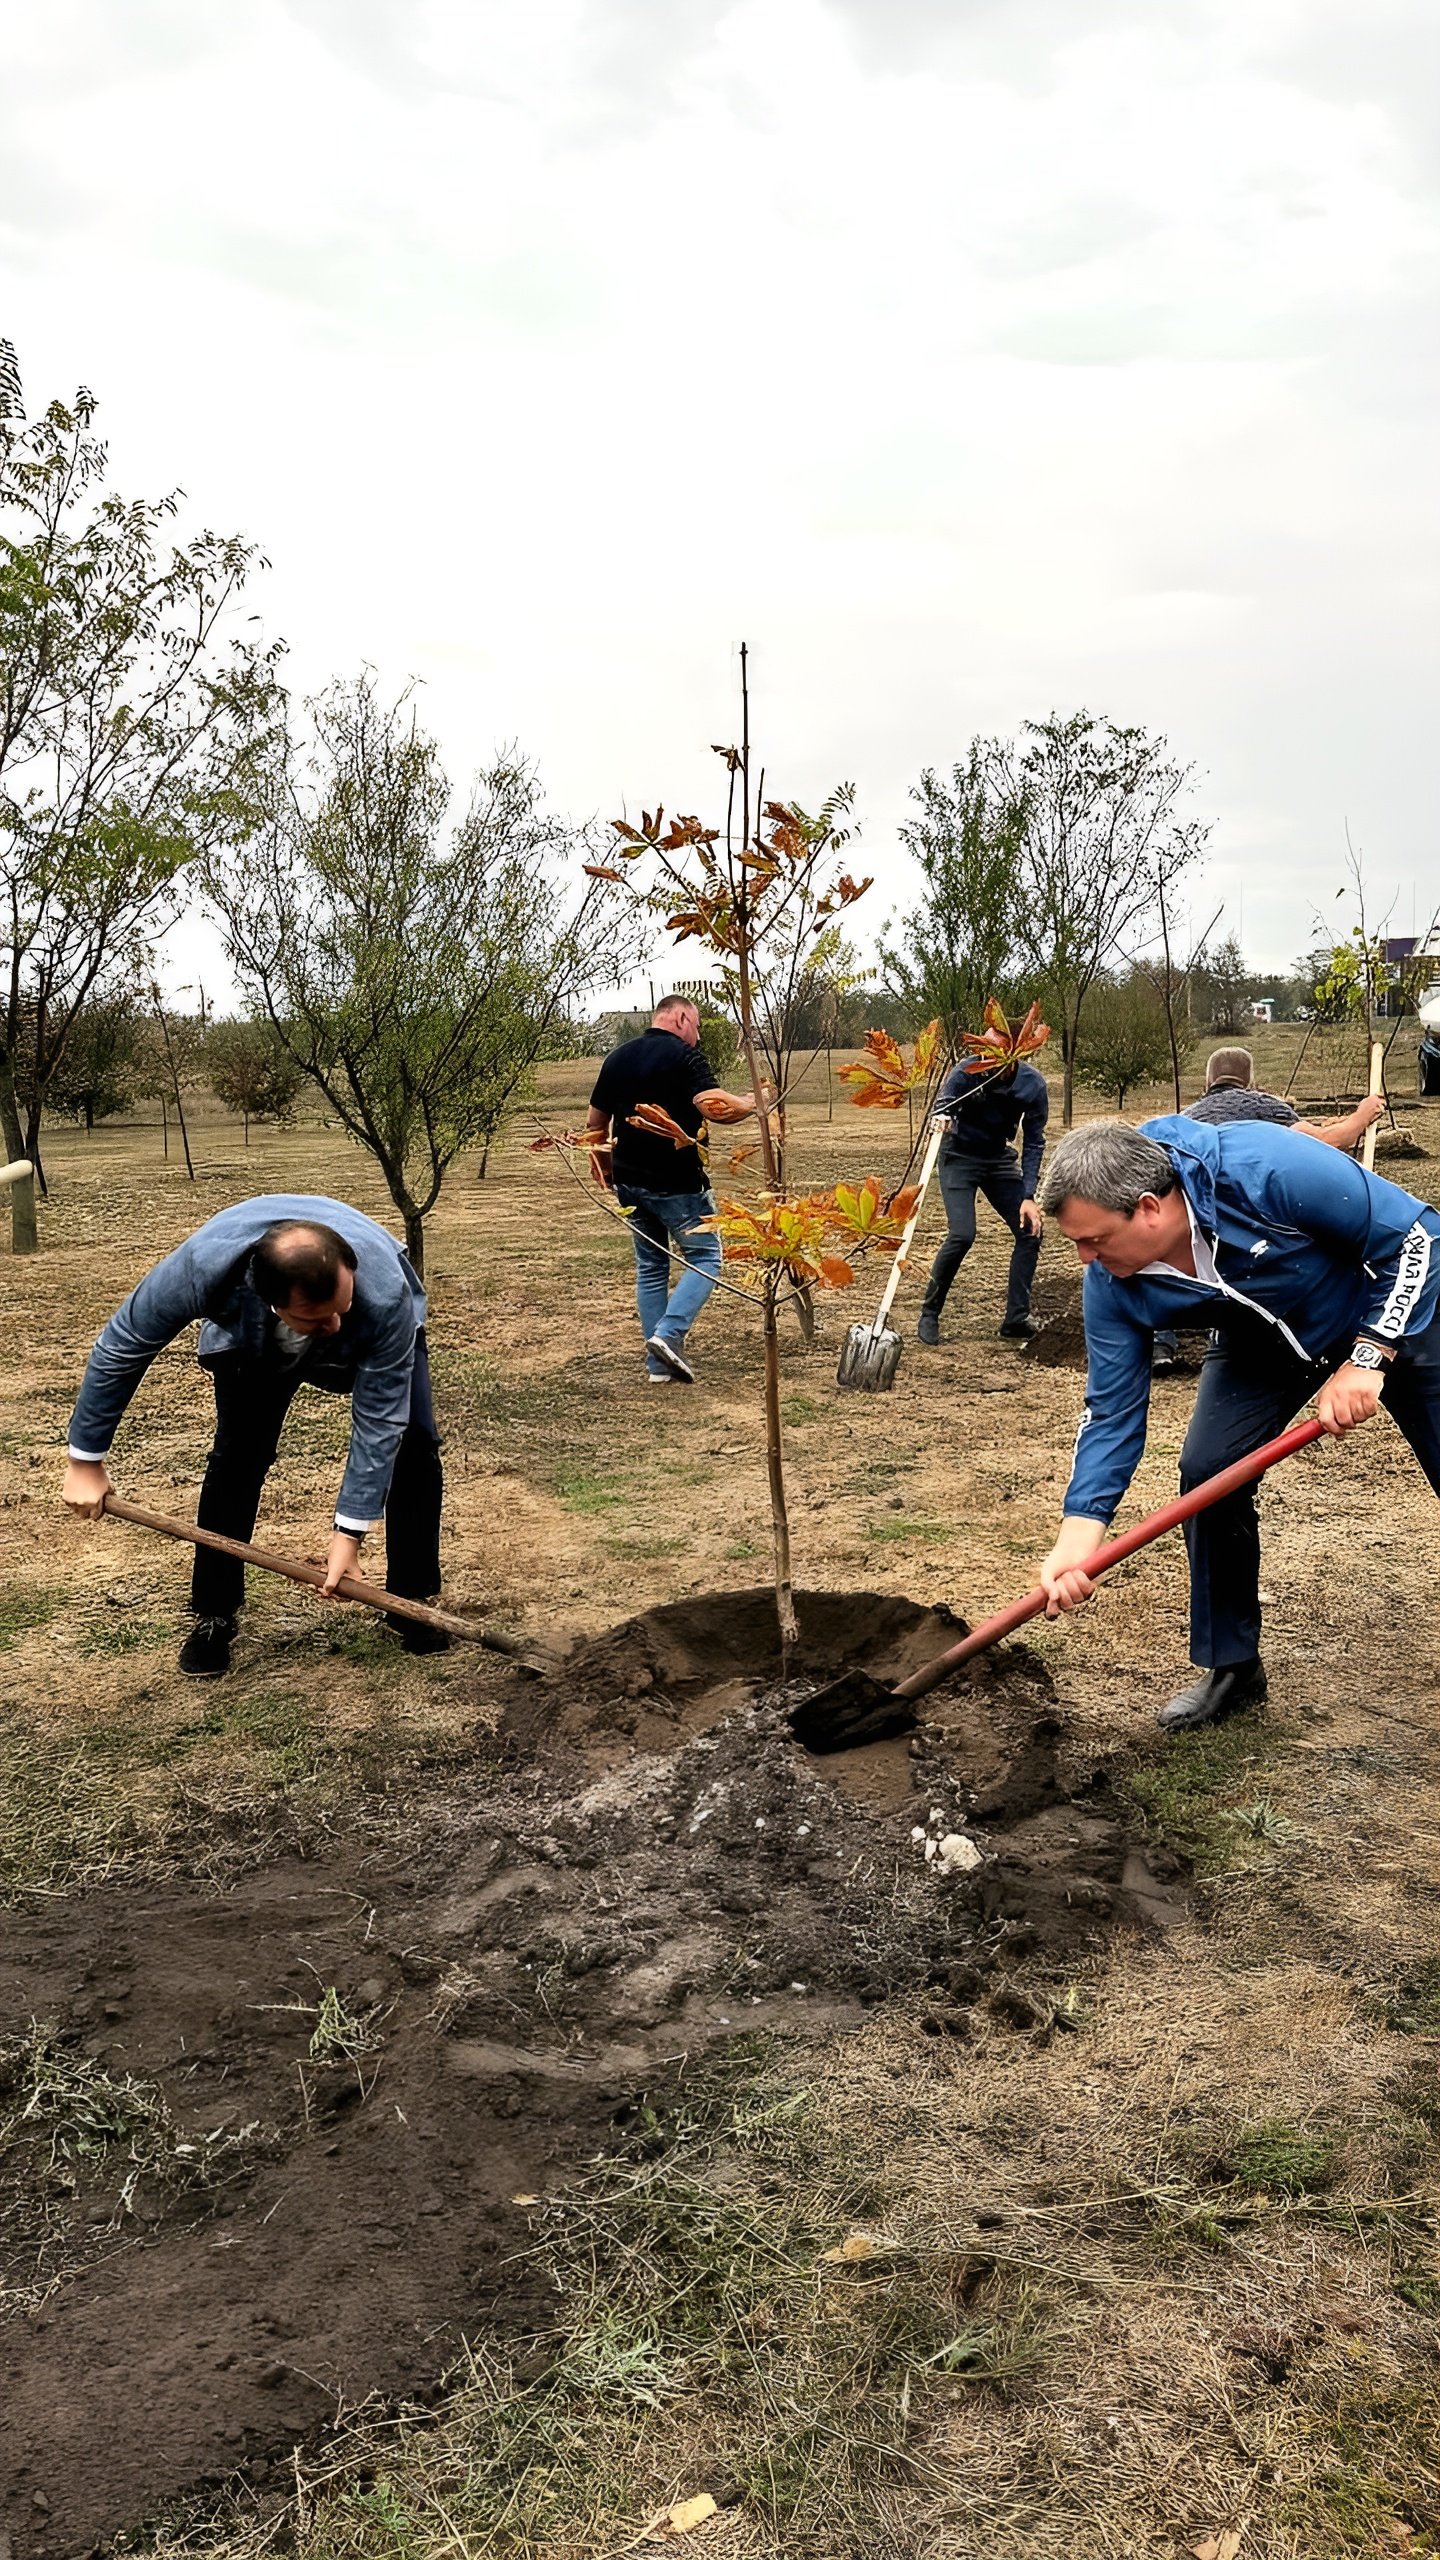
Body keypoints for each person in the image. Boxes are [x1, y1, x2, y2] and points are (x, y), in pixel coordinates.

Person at [1033, 1117, 1440, 1731]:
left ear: (1148, 1208)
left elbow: (1417, 1236)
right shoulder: (1112, 1284)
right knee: (1209, 1474)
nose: (1085, 1258)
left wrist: (1368, 1356)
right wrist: (1078, 1535)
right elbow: (1112, 1410)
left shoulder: (1265, 1169)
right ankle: (1233, 1666)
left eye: (1094, 1240)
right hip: (1261, 1343)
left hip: (1389, 1312)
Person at [62, 1197, 444, 1679]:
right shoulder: (204, 1269)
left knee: (413, 1443)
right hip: (251, 1341)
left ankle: (410, 1600)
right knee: (239, 1456)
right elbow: (123, 1345)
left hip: (380, 1325)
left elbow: (380, 1418)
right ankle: (214, 1614)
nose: (334, 1327)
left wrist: (349, 1533)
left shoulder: (383, 1295)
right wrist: (85, 1461)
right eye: (316, 1318)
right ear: (270, 1300)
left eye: (341, 1308)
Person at [1149, 1049, 1388, 1372]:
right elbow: (1326, 1141)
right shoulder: (1267, 1108)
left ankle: (1161, 1346)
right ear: (1251, 1081)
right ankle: (1226, 1340)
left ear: (1208, 1082)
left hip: (1193, 1219)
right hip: (1253, 1219)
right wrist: (1364, 1113)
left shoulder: (1187, 1118)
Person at [586, 995, 767, 1384]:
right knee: (706, 1257)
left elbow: (595, 1124)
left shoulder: (617, 1058)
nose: (698, 1037)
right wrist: (754, 1104)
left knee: (651, 1267)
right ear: (682, 1017)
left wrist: (603, 1170)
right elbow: (712, 1106)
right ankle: (669, 1334)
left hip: (630, 1183)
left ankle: (658, 1367)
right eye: (697, 1026)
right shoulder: (684, 1056)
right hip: (677, 1184)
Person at [916, 1051, 1049, 1346]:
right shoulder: (967, 1071)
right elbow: (942, 1107)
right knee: (962, 1235)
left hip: (997, 1159)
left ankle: (1016, 1319)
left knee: (1030, 1231)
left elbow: (1035, 1141)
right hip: (958, 1156)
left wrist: (1028, 1195)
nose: (989, 1061)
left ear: (1015, 1057)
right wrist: (942, 1117)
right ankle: (930, 1313)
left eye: (999, 1057)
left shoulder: (1033, 1084)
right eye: (986, 1054)